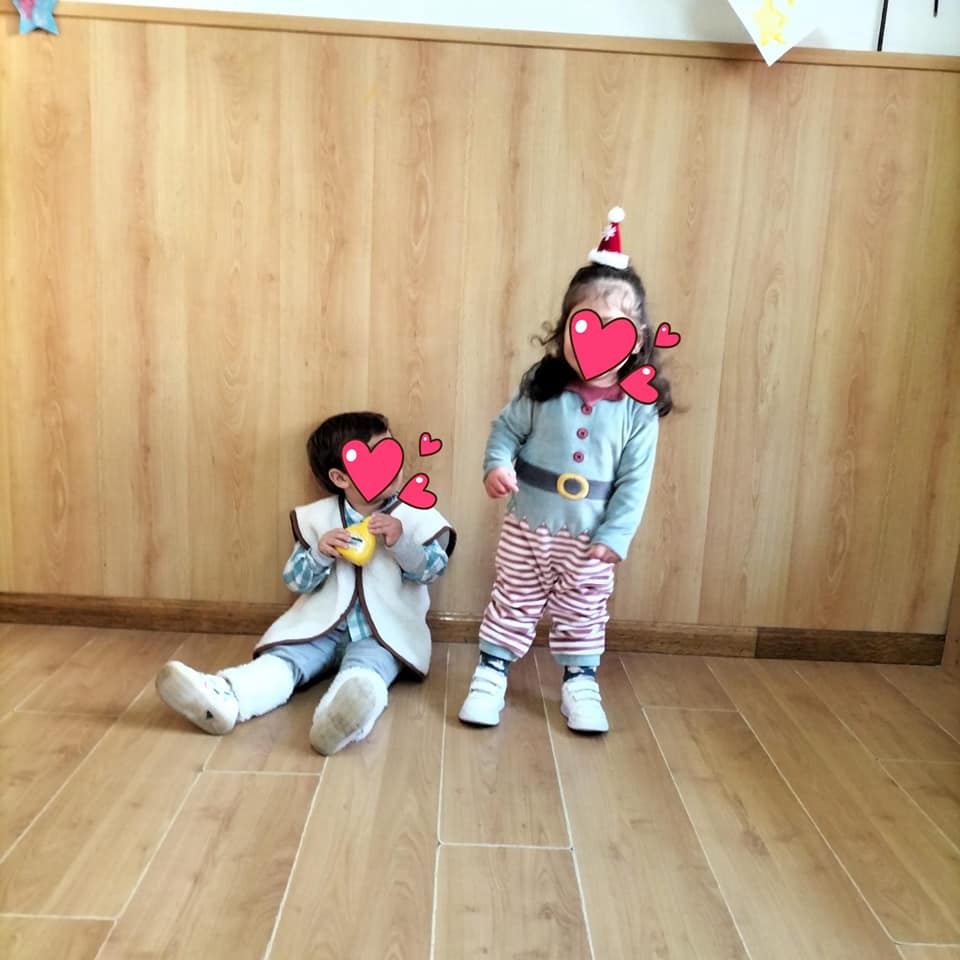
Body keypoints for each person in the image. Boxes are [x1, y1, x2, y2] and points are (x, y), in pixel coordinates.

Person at [459, 208, 672, 733]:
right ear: (565, 329)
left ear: (636, 338)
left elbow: (635, 480)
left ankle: (579, 682)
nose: (594, 342)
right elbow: (505, 430)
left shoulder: (637, 408)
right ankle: (490, 674)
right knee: (512, 599)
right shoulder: (542, 386)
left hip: (591, 537)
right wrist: (496, 465)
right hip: (527, 525)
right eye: (584, 327)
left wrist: (616, 535)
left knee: (583, 610)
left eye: (613, 330)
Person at [156, 411, 456, 755]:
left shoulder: (413, 514)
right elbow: (295, 580)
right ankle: (227, 696)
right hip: (319, 627)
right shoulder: (319, 518)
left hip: (382, 634)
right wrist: (320, 553)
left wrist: (402, 544)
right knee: (283, 662)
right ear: (340, 477)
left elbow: (433, 570)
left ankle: (341, 718)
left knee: (368, 672)